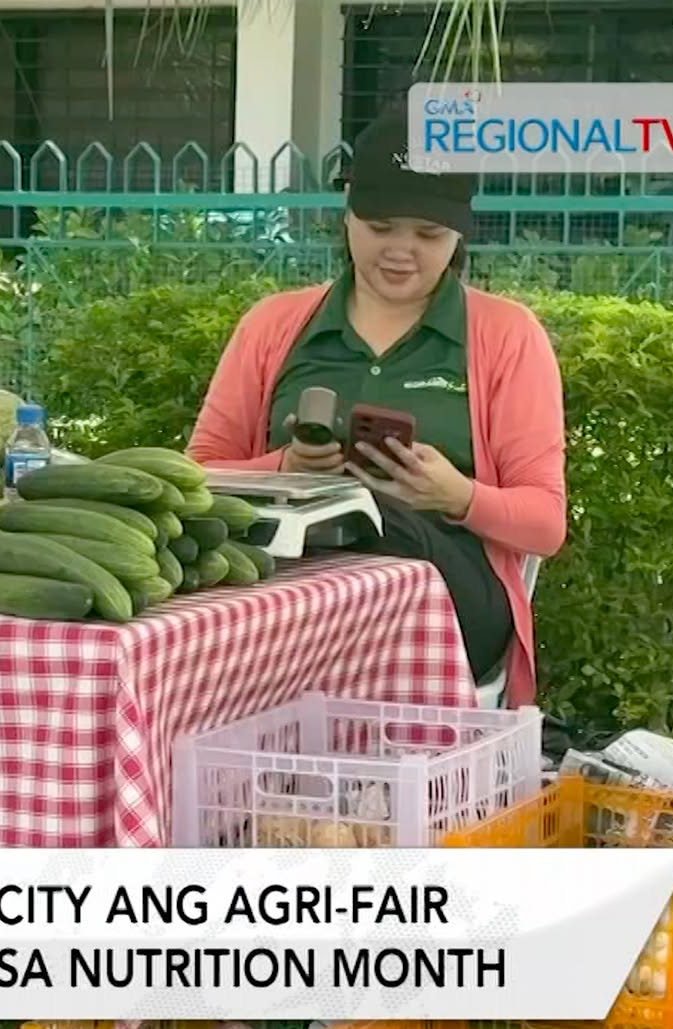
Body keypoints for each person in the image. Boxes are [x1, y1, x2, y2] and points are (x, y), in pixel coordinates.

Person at [188, 106, 567, 707]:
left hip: (448, 594)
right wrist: (285, 470)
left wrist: (457, 496)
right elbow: (198, 476)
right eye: (382, 225)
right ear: (348, 215)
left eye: (428, 235)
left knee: (376, 511)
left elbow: (546, 524)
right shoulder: (275, 325)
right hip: (288, 582)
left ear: (457, 238)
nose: (401, 251)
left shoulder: (505, 335)